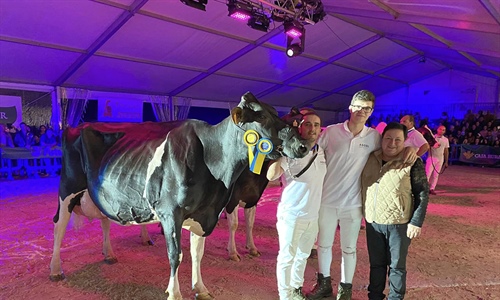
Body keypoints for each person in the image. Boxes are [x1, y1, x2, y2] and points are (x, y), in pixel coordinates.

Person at [361, 122, 429, 300]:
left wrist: (416, 221)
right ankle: (374, 296)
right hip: (373, 222)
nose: (392, 143)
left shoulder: (412, 161)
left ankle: (395, 298)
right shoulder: (370, 158)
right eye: (388, 138)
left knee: (397, 266)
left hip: (399, 224)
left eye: (398, 140)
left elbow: (422, 192)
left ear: (405, 141)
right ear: (382, 139)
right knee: (376, 265)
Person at [267, 110, 326, 300]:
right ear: (299, 127)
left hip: (312, 217)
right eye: (308, 124)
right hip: (292, 216)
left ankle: (296, 289)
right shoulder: (290, 153)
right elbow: (271, 176)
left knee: (302, 256)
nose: (313, 128)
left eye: (316, 125)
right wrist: (280, 152)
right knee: (287, 258)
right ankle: (285, 295)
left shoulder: (321, 151)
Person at [426, 125, 449, 195]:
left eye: (443, 130)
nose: (441, 131)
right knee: (428, 173)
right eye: (440, 129)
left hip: (440, 158)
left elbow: (446, 150)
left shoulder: (445, 139)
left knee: (436, 175)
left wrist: (446, 161)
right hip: (431, 157)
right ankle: (424, 188)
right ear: (437, 129)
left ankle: (432, 188)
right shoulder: (432, 137)